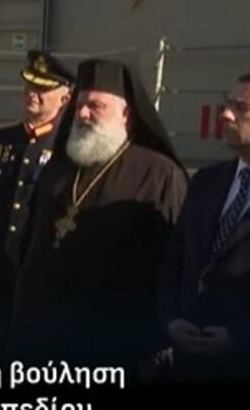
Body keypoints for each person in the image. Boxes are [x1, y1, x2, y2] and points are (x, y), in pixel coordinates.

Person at [11, 59, 187, 377]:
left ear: (126, 114)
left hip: (114, 344)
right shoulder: (59, 169)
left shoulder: (159, 175)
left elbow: (175, 265)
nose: (82, 114)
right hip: (43, 338)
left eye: (95, 106)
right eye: (79, 105)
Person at [0, 50, 74, 364]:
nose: (32, 93)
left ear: (64, 98)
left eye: (42, 88)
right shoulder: (4, 140)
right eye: (29, 86)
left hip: (40, 276)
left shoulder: (69, 149)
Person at [158, 73, 250, 382]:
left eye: (242, 108)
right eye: (227, 104)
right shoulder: (206, 182)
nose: (226, 115)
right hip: (187, 362)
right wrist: (171, 320)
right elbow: (174, 260)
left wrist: (240, 337)